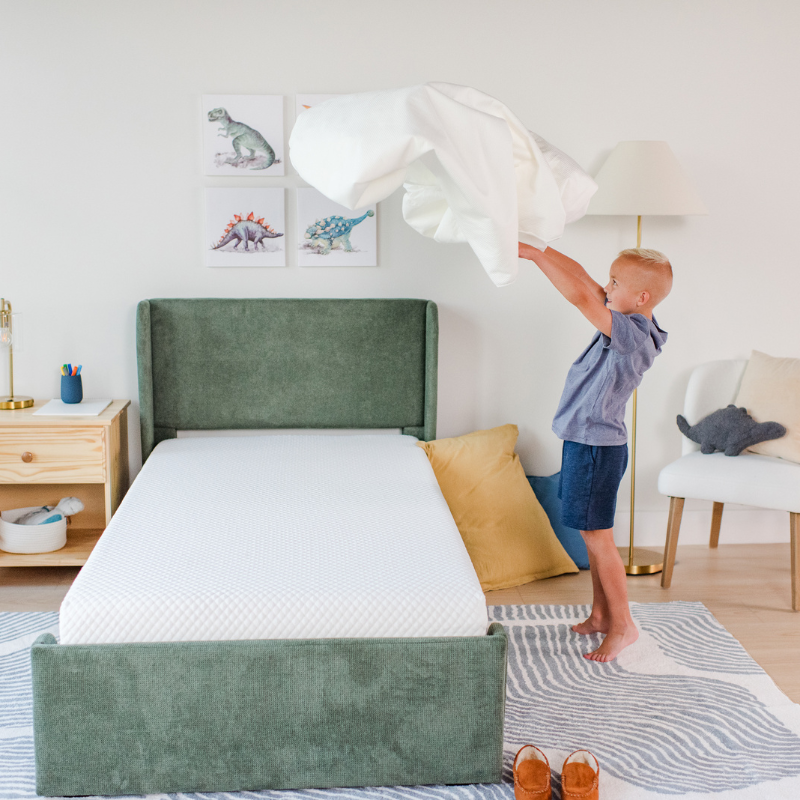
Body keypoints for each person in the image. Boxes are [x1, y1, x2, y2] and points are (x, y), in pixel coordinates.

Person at [518, 243, 672, 662]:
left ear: (642, 298)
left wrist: (536, 258)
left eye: (616, 282)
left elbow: (583, 295)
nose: (607, 287)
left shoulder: (632, 336)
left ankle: (623, 625)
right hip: (586, 442)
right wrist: (537, 250)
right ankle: (601, 614)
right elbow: (587, 282)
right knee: (590, 534)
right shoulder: (627, 319)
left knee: (599, 540)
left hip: (595, 448)